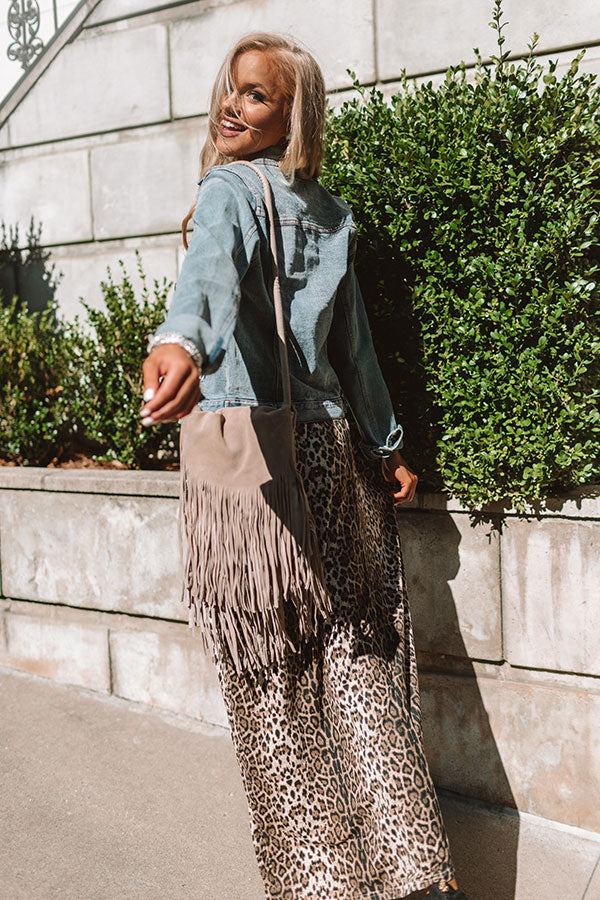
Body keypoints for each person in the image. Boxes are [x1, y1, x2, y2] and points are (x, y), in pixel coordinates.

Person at [140, 32, 469, 900]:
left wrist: (180, 343)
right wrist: (388, 445)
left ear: (294, 117)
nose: (232, 104)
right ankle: (418, 877)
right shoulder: (329, 211)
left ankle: (326, 888)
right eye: (232, 88)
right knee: (360, 667)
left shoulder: (229, 189)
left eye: (257, 95)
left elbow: (207, 277)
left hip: (262, 472)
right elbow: (355, 352)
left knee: (274, 687)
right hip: (340, 458)